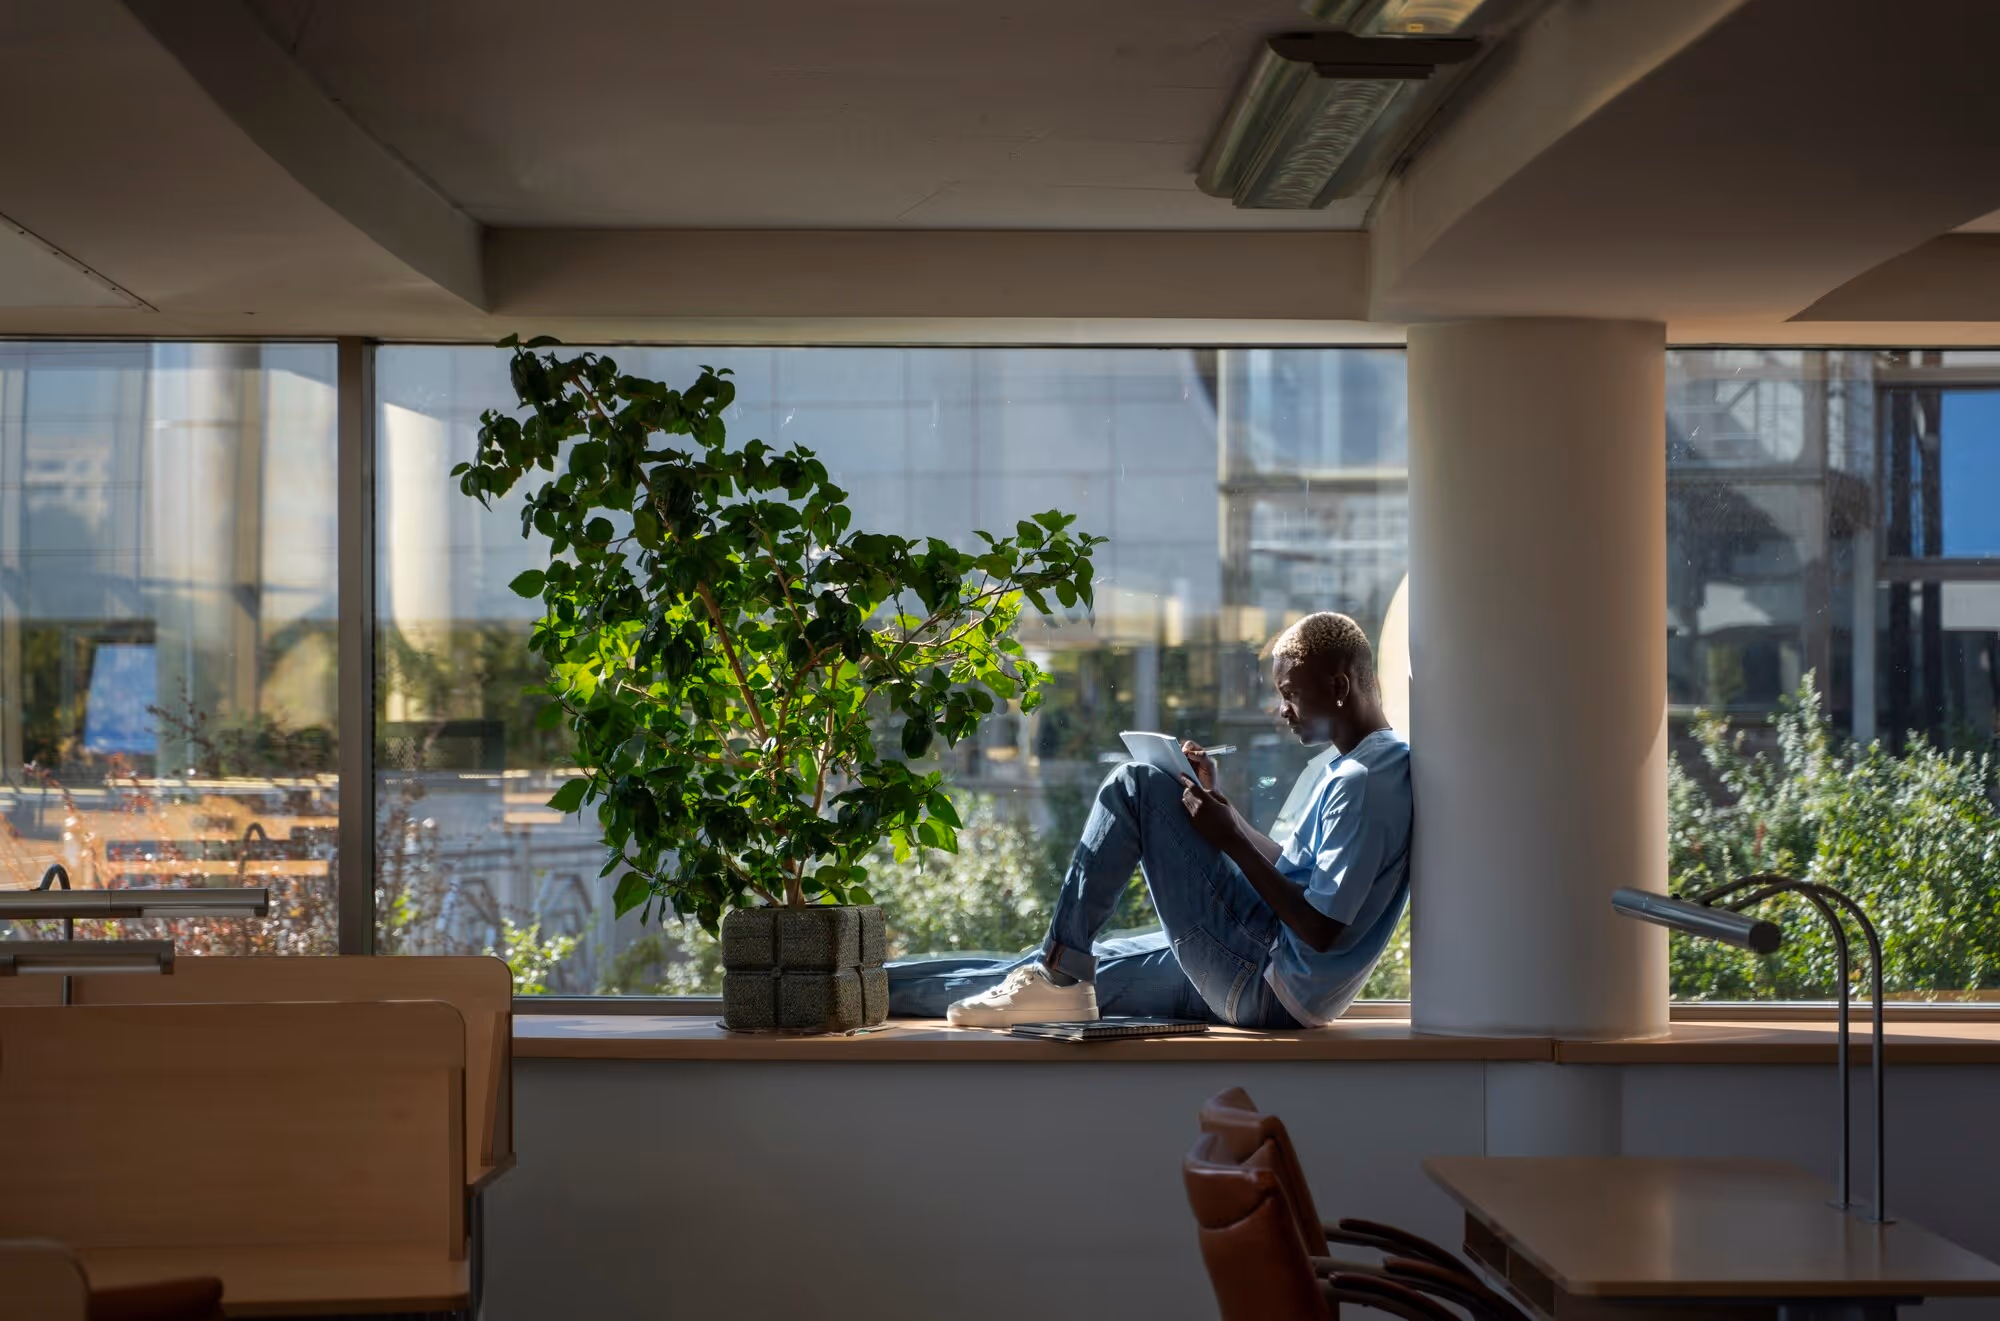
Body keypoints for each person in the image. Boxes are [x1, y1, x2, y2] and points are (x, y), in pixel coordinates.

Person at [886, 611, 1411, 1029]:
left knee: (1136, 783)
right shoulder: (1366, 766)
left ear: (1339, 686)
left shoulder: (1363, 781)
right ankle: (870, 986)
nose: (1282, 710)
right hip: (1265, 967)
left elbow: (1322, 929)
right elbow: (1294, 874)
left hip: (1266, 981)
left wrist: (1230, 838)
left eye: (1290, 693)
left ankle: (1058, 972)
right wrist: (1221, 807)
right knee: (1046, 971)